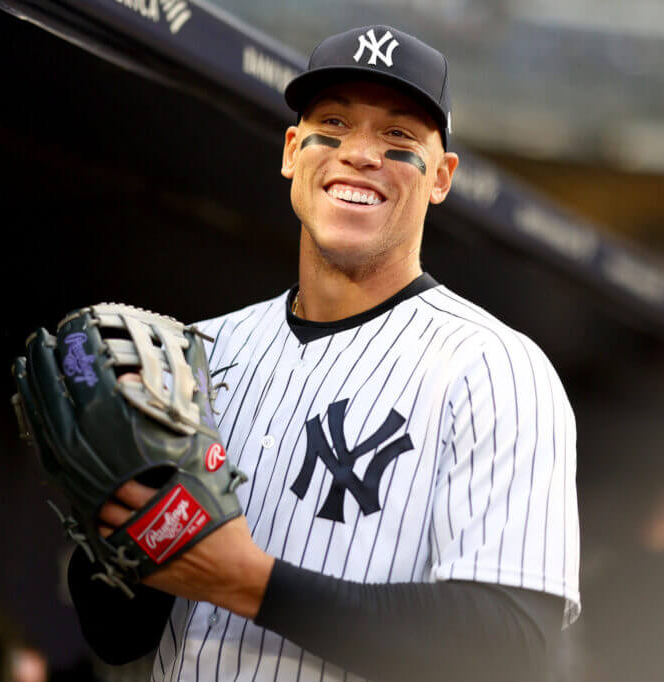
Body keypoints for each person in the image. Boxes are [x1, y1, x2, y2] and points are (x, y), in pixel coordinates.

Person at [67, 25, 580, 682]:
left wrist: (250, 582)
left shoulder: (495, 369)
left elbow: (511, 648)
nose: (359, 153)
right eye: (333, 122)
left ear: (442, 177)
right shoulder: (194, 353)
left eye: (398, 135)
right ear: (292, 152)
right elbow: (116, 636)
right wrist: (110, 528)